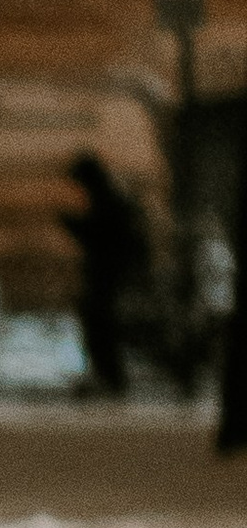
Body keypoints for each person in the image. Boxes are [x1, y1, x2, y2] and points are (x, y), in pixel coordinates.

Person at [64, 149, 149, 399]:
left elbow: (103, 238)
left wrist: (76, 226)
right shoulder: (109, 197)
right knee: (100, 324)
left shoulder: (108, 200)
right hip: (108, 274)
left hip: (108, 275)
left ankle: (110, 377)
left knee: (101, 325)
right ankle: (108, 376)